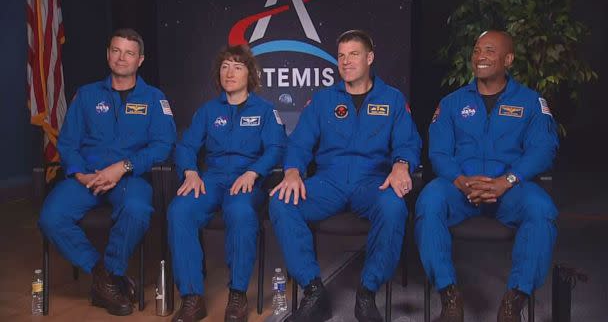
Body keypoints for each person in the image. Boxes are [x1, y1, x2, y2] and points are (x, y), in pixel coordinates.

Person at [269, 29, 422, 322]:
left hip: (372, 181)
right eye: (341, 55)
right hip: (330, 181)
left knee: (393, 206)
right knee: (281, 201)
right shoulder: (324, 100)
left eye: (354, 54)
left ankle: (366, 293)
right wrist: (291, 172)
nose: (346, 61)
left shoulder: (391, 99)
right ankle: (314, 292)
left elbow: (408, 142)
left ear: (370, 58)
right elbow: (300, 142)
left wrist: (401, 164)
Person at [415, 30, 559, 322]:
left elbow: (544, 149)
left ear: (508, 59)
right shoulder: (452, 102)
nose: (480, 57)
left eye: (490, 51)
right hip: (461, 189)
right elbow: (439, 152)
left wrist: (506, 181)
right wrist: (459, 180)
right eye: (477, 51)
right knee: (428, 202)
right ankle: (449, 296)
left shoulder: (531, 102)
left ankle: (514, 300)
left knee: (542, 209)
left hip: (510, 189)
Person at [38, 28, 177, 316]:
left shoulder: (153, 98)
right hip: (86, 178)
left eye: (129, 52)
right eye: (116, 50)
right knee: (50, 217)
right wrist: (80, 175)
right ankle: (105, 276)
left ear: (140, 60)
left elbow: (163, 145)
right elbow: (67, 143)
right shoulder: (87, 95)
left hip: (130, 178)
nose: (121, 57)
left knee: (137, 210)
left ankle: (111, 270)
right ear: (108, 54)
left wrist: (123, 167)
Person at [167, 44, 286, 322]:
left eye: (237, 66)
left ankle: (237, 295)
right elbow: (185, 147)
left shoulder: (266, 111)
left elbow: (276, 148)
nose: (230, 73)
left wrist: (254, 172)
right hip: (212, 179)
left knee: (241, 212)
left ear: (250, 74)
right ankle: (192, 297)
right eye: (224, 67)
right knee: (179, 210)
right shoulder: (208, 111)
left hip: (247, 181)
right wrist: (190, 172)